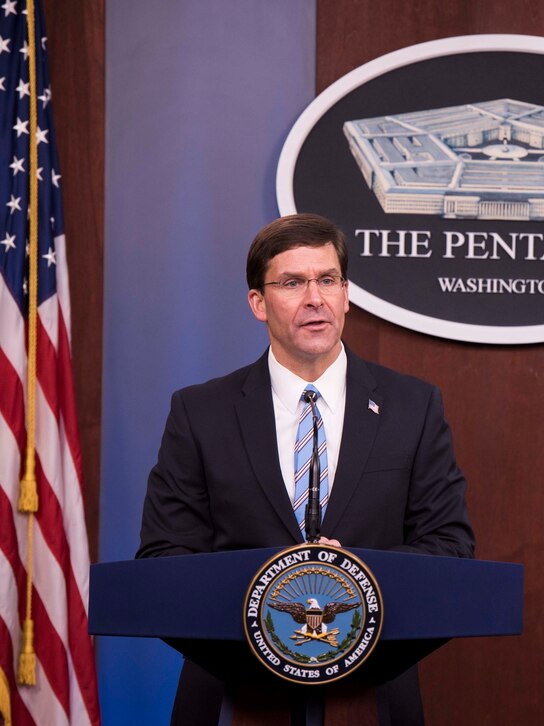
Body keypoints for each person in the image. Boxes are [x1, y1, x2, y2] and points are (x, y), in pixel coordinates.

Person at [138, 213, 474, 725]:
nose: (314, 297)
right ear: (258, 302)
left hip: (373, 696)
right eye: (292, 282)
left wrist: (347, 577)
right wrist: (273, 587)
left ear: (346, 294)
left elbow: (449, 548)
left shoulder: (414, 406)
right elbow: (165, 557)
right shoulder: (199, 412)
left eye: (327, 279)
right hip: (232, 697)